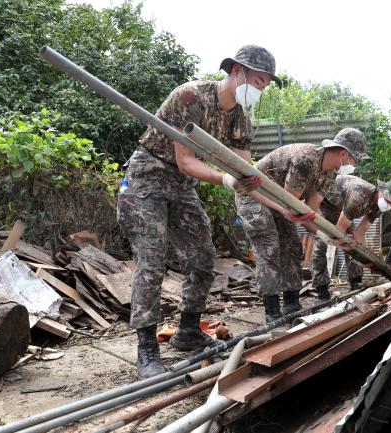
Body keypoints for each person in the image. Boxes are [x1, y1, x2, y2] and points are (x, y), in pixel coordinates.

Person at [117, 45, 281, 378]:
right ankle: (147, 348)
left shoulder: (240, 119)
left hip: (182, 186)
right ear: (237, 72)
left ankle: (188, 331)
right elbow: (186, 160)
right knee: (151, 258)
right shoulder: (190, 97)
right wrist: (226, 178)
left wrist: (274, 201)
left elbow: (244, 171)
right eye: (259, 81)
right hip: (148, 176)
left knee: (204, 257)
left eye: (265, 85)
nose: (260, 89)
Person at [237, 128, 370, 323]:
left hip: (282, 203)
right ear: (343, 153)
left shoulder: (330, 174)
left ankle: (291, 304)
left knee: (293, 246)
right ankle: (272, 310)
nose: (353, 166)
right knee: (270, 247)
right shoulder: (306, 159)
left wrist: (328, 237)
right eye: (354, 161)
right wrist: (314, 224)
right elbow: (292, 204)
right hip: (253, 195)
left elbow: (310, 210)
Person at [311, 175, 391, 299]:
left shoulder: (379, 206)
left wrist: (367, 259)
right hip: (325, 203)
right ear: (383, 192)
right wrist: (350, 247)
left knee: (354, 245)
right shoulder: (359, 196)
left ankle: (356, 283)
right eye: (389, 200)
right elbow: (339, 231)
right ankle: (321, 290)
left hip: (343, 207)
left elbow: (360, 232)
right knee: (322, 242)